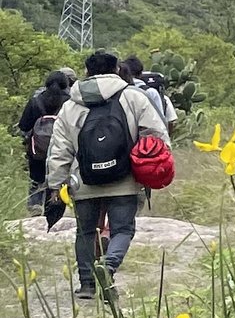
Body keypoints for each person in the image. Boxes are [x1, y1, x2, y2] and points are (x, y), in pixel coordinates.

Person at [45, 50, 169, 300]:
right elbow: (158, 136)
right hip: (124, 180)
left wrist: (56, 185)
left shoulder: (71, 105)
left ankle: (88, 285)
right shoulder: (133, 97)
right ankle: (109, 265)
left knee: (85, 232)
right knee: (122, 230)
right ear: (116, 70)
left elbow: (59, 150)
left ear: (87, 72)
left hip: (84, 182)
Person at [18, 67, 71, 220]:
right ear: (65, 84)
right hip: (61, 149)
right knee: (59, 179)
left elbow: (24, 126)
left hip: (37, 150)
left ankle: (34, 209)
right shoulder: (69, 102)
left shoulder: (35, 101)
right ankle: (54, 210)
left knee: (36, 179)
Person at [117, 54, 179, 132]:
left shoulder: (117, 91)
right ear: (140, 74)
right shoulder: (152, 92)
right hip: (147, 140)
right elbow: (162, 121)